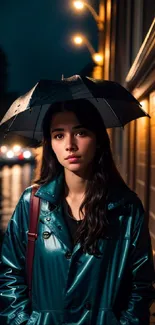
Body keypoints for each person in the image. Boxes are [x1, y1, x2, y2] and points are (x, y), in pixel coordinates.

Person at [0, 99, 154, 325]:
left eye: (80, 133)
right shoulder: (32, 203)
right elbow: (9, 276)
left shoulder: (125, 208)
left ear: (99, 140)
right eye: (59, 135)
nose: (69, 145)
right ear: (50, 143)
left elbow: (140, 285)